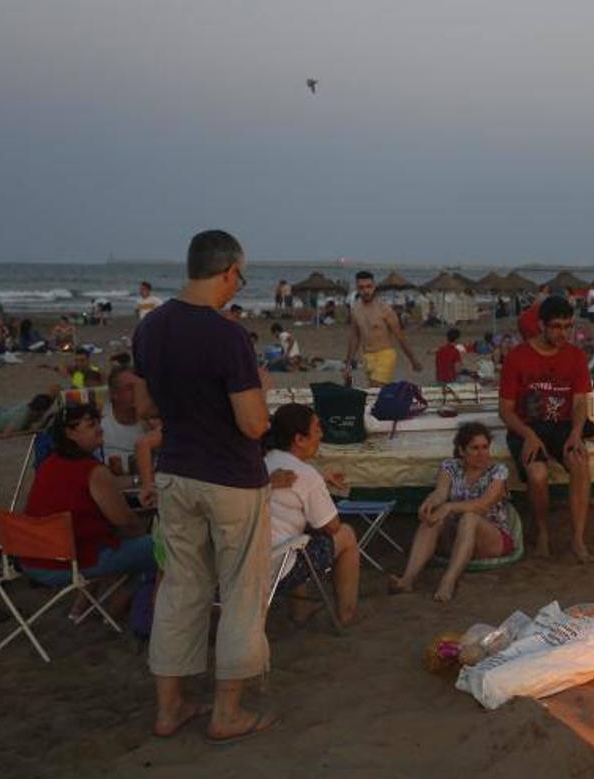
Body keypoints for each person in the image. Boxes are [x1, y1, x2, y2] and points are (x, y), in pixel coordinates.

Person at [134, 229, 277, 743]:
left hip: (176, 472)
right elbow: (254, 425)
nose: (239, 284)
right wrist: (260, 387)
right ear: (227, 271)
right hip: (231, 478)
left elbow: (146, 408)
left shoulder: (151, 328)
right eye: (241, 275)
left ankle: (169, 709)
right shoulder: (228, 335)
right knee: (242, 591)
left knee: (181, 588)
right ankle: (227, 712)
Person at [22, 403, 157, 590]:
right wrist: (145, 536)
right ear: (70, 433)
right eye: (91, 425)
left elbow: (93, 495)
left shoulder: (50, 463)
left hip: (32, 557)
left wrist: (137, 484)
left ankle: (103, 607)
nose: (100, 429)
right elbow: (125, 521)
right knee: (163, 547)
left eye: (98, 423)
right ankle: (143, 609)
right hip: (66, 563)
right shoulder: (93, 470)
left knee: (137, 547)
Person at [499, 295, 594, 562]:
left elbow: (579, 402)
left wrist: (576, 433)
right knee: (538, 473)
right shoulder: (518, 357)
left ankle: (577, 539)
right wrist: (529, 436)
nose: (562, 333)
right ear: (541, 325)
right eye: (555, 326)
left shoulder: (575, 356)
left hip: (561, 425)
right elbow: (505, 409)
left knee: (579, 462)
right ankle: (542, 533)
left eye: (567, 326)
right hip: (526, 425)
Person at [390, 422, 513, 601]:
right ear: (462, 451)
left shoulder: (498, 471)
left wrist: (449, 507)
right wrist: (430, 503)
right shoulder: (451, 467)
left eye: (485, 447)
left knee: (470, 517)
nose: (482, 453)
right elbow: (441, 492)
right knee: (433, 518)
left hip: (491, 537)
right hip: (457, 536)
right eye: (475, 448)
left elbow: (484, 504)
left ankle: (448, 580)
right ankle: (407, 579)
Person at [263, 404, 361, 626]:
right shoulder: (305, 474)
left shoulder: (265, 463)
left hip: (250, 561)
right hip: (277, 568)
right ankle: (346, 615)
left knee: (297, 535)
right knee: (345, 534)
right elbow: (332, 526)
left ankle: (301, 610)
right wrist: (319, 487)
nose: (321, 435)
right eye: (317, 429)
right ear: (299, 439)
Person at [345, 271, 421, 387]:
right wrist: (348, 363)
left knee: (376, 387)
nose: (366, 291)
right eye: (362, 288)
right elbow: (355, 337)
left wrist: (413, 360)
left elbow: (400, 336)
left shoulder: (385, 310)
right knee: (374, 391)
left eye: (369, 287)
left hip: (385, 354)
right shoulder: (355, 309)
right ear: (357, 288)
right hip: (367, 356)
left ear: (374, 287)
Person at [101, 366, 146, 474]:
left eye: (139, 387)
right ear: (114, 394)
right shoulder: (100, 421)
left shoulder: (152, 421)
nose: (137, 391)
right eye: (130, 388)